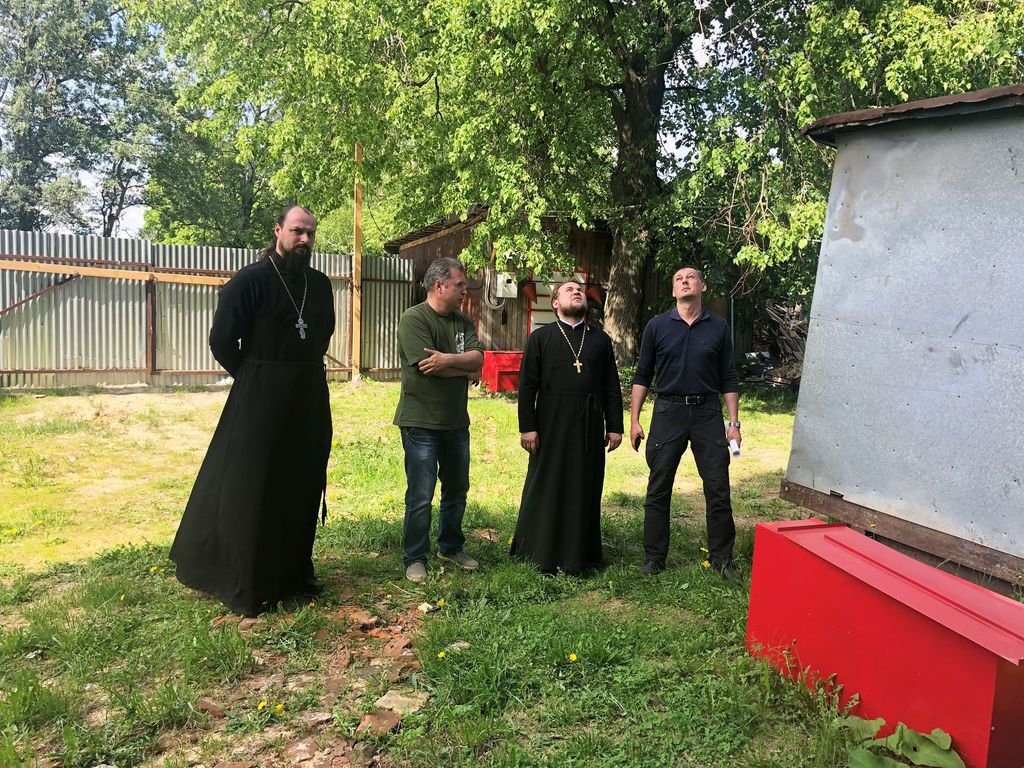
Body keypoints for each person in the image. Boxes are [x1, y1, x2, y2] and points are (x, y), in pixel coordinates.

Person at [170, 205, 335, 616]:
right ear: (278, 230)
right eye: (297, 231)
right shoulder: (249, 280)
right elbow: (222, 341)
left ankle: (295, 571)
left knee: (301, 480)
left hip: (308, 395)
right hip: (259, 398)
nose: (305, 239)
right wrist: (256, 377)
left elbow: (321, 334)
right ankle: (250, 578)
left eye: (310, 233)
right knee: (255, 485)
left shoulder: (319, 285)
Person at [630, 266, 741, 579]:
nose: (684, 281)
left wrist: (734, 423)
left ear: (702, 286)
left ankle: (722, 560)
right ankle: (654, 558)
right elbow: (643, 374)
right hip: (668, 412)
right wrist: (634, 419)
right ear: (673, 290)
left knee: (718, 488)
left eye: (690, 277)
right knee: (659, 486)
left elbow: (729, 377)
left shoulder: (718, 327)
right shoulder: (657, 326)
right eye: (678, 279)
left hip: (707, 413)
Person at [510, 280, 623, 575]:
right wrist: (528, 427)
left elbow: (611, 386)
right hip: (550, 422)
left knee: (584, 485)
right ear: (555, 303)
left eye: (580, 290)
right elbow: (527, 386)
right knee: (547, 484)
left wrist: (614, 426)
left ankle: (580, 556)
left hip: (589, 424)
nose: (577, 292)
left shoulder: (600, 340)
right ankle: (539, 552)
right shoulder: (540, 337)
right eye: (569, 290)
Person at [394, 257, 484, 583]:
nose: (464, 291)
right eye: (459, 285)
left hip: (456, 422)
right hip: (421, 422)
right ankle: (415, 557)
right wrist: (464, 369)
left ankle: (450, 547)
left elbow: (479, 359)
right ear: (439, 285)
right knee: (421, 494)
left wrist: (447, 360)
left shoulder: (462, 321)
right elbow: (426, 368)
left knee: (457, 489)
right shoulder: (414, 319)